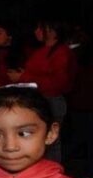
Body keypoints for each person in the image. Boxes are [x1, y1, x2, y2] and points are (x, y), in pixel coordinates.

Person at [19, 19, 78, 162]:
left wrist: (24, 77)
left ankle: (52, 175)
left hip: (52, 101)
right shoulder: (40, 51)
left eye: (40, 28)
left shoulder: (62, 53)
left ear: (52, 31)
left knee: (51, 143)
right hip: (37, 100)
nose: (36, 32)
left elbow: (60, 83)